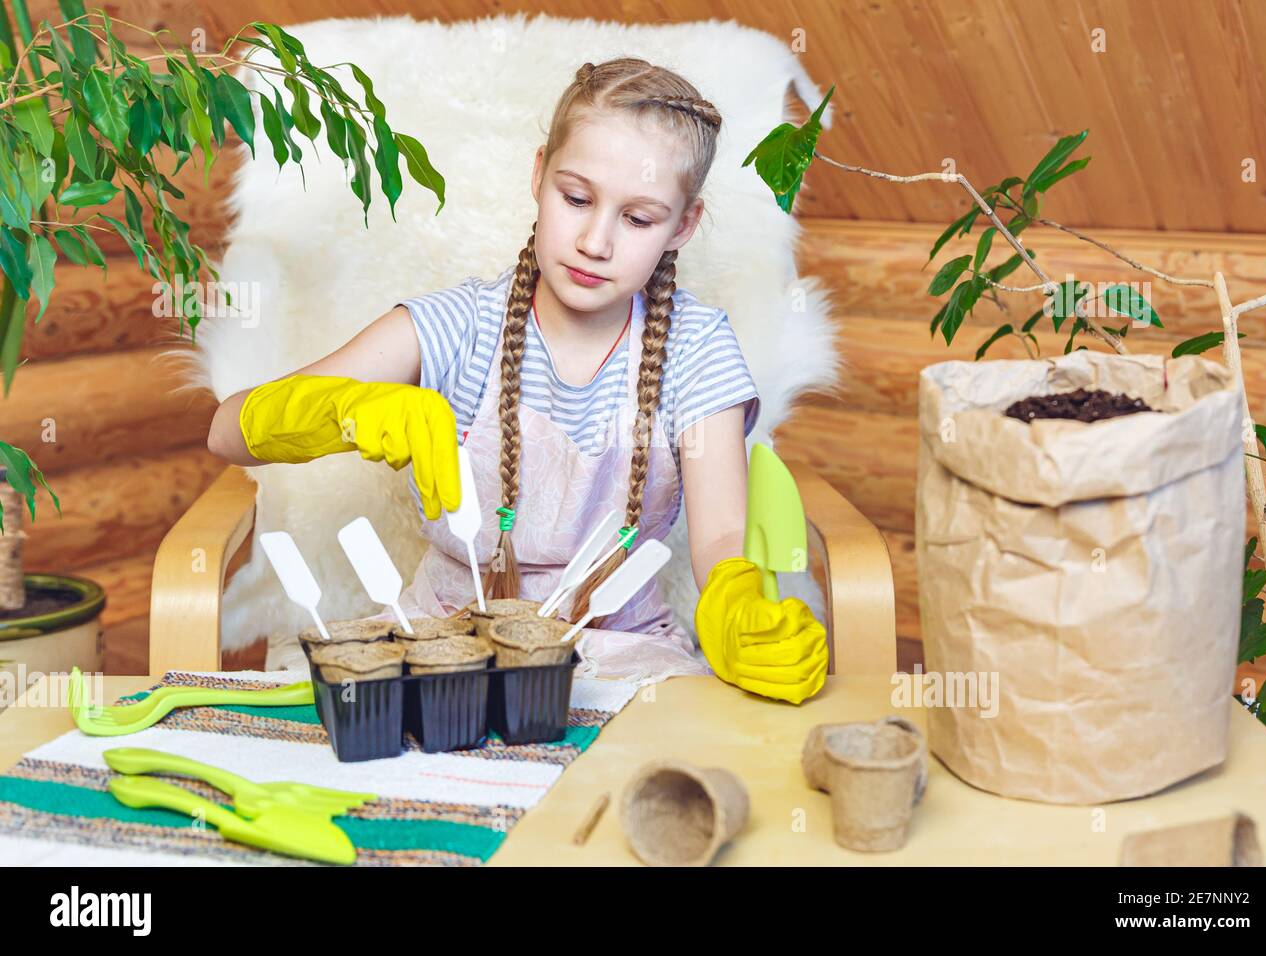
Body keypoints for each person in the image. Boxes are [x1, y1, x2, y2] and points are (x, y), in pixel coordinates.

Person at [208, 58, 827, 704]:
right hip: (442, 647)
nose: (595, 241)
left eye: (638, 219)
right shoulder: (458, 326)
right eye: (577, 198)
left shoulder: (696, 349)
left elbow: (725, 534)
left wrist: (736, 608)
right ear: (539, 175)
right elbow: (228, 431)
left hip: (621, 656)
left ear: (683, 227)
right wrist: (343, 409)